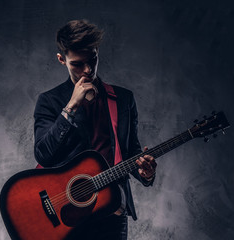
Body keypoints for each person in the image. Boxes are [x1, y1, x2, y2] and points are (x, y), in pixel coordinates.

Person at [33, 19, 157, 240]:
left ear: (97, 52)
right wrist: (70, 107)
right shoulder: (49, 101)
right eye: (77, 64)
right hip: (67, 213)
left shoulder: (123, 99)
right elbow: (43, 154)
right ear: (62, 60)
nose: (87, 70)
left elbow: (129, 153)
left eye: (92, 60)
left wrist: (145, 173)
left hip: (112, 211)